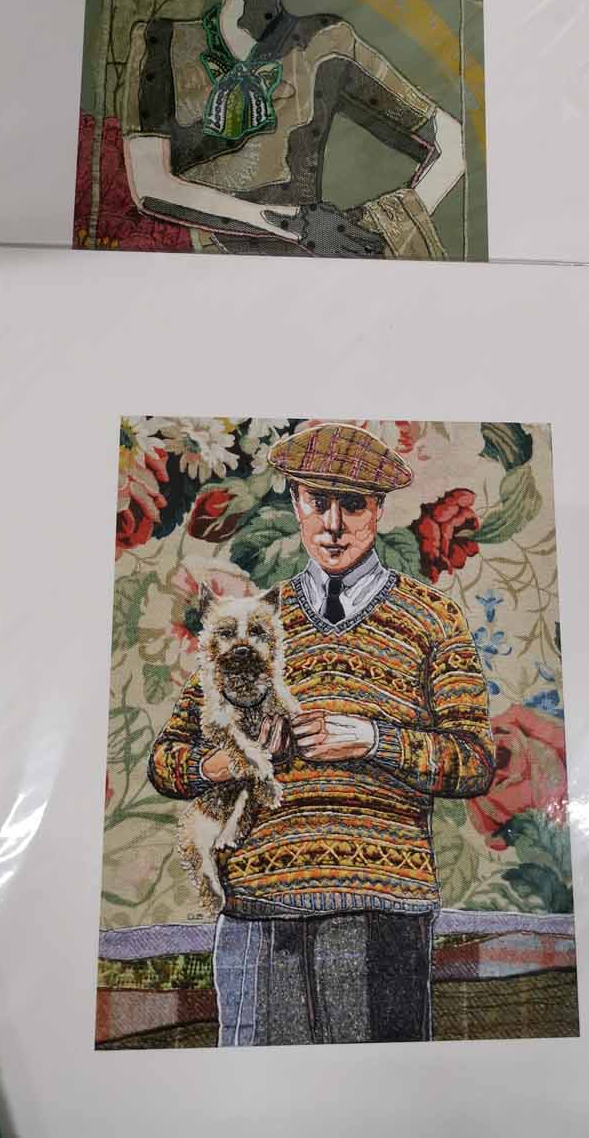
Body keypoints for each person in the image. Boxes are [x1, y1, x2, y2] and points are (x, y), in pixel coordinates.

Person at [148, 423, 494, 1046]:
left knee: (379, 1092)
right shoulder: (253, 621)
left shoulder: (434, 617)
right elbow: (168, 761)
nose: (333, 525)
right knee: (257, 1092)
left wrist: (371, 739)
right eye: (317, 502)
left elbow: (474, 762)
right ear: (296, 503)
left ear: (379, 510)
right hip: (259, 906)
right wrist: (237, 760)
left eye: (352, 505)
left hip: (383, 906)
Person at [121, 0, 465, 260]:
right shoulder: (161, 41)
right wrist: (293, 225)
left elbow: (454, 141)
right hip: (194, 267)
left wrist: (377, 229)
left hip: (303, 269)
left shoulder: (325, 43)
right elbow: (150, 186)